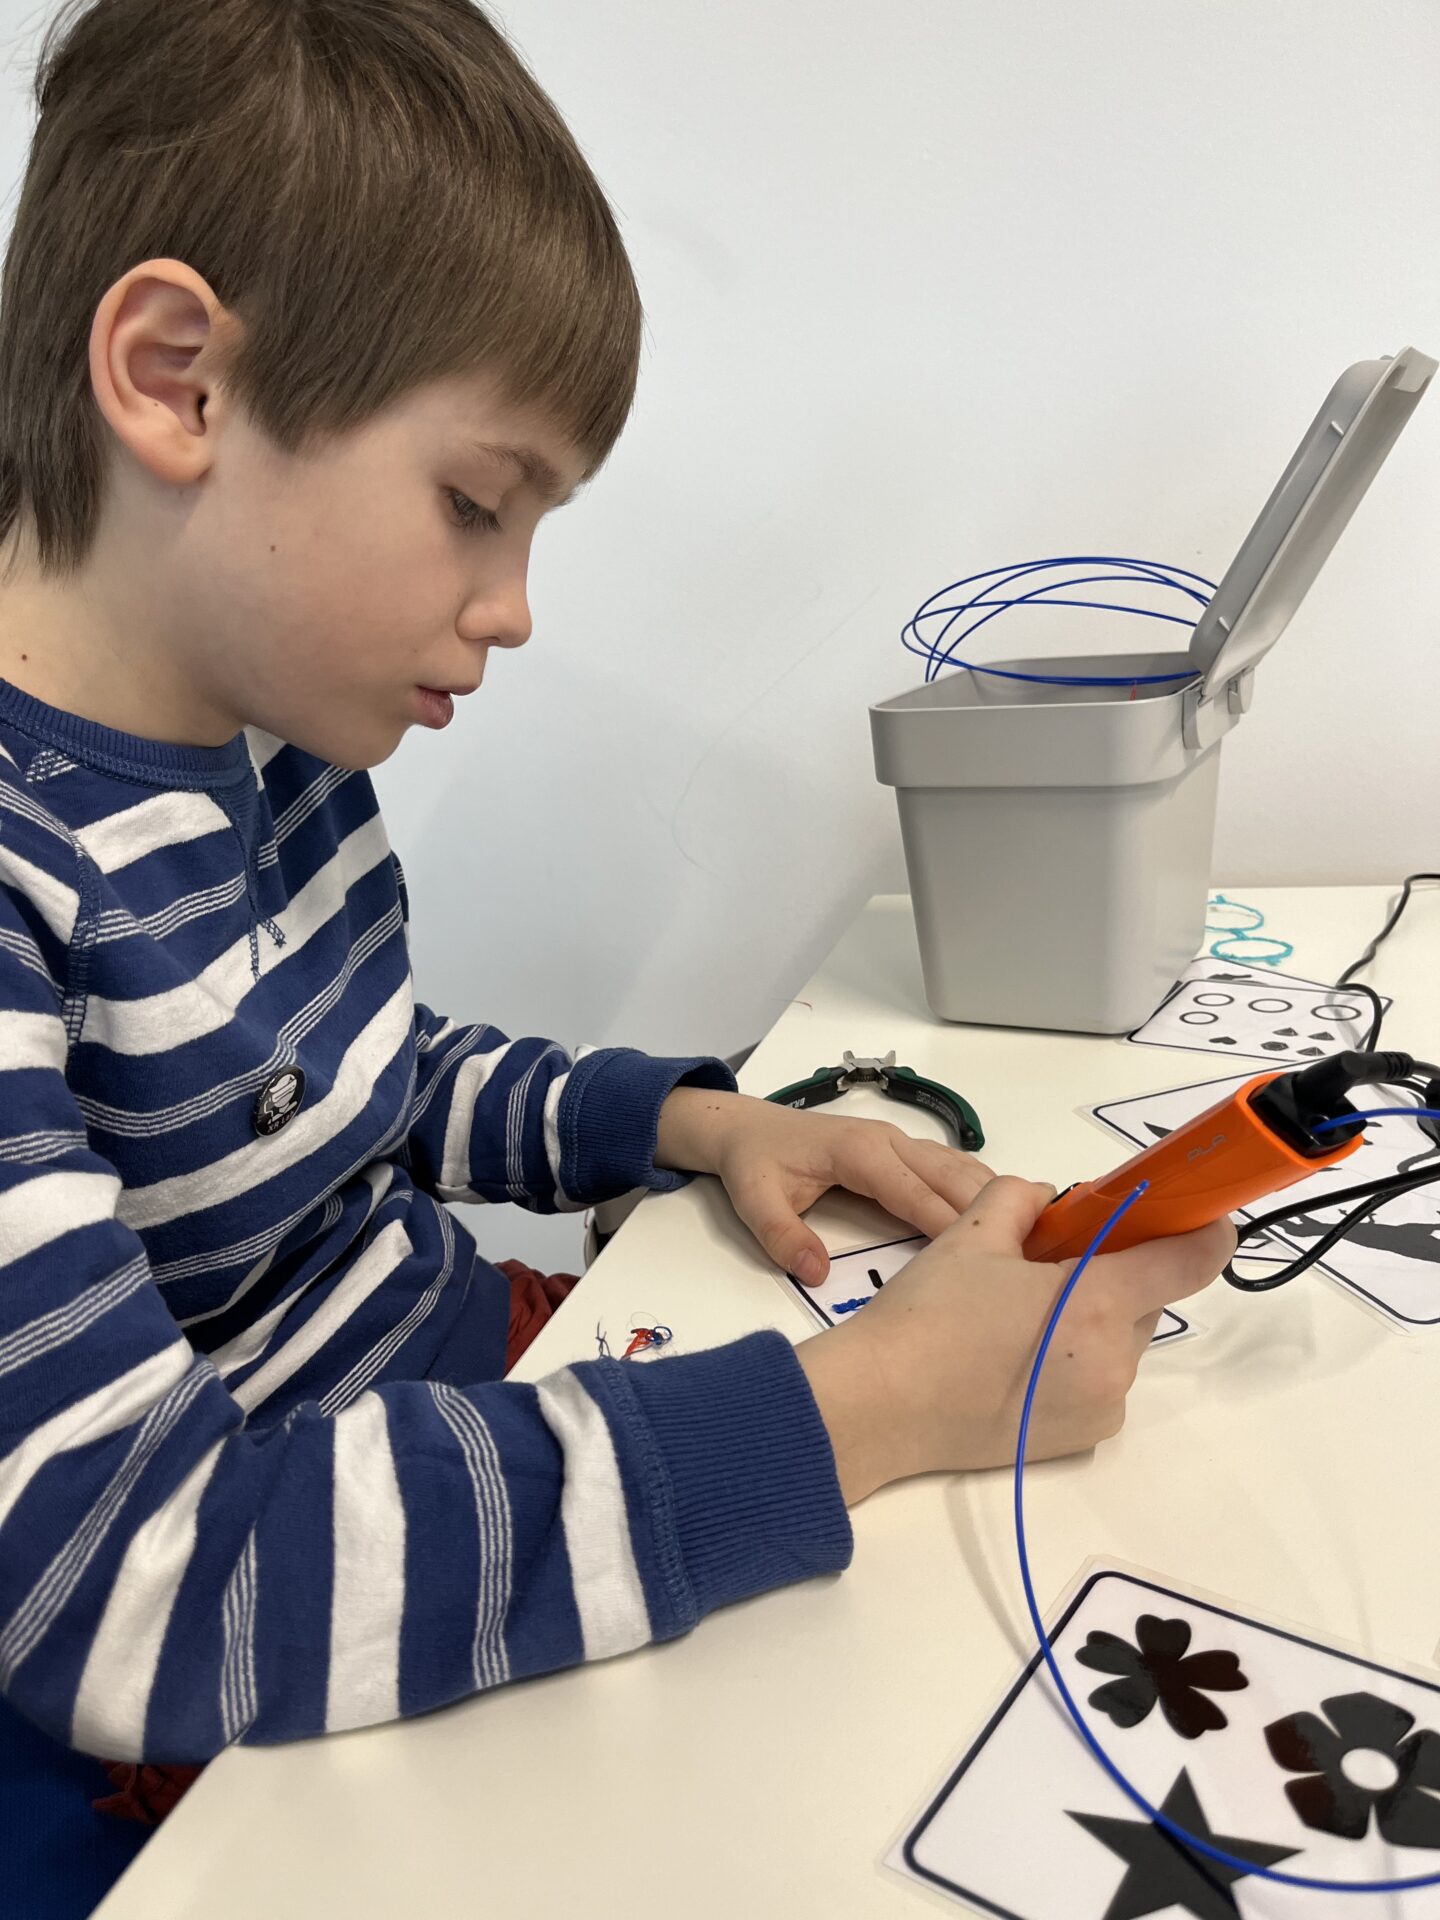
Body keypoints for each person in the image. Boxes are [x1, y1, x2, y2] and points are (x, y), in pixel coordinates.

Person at [0, 0, 1236, 1908]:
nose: (511, 610)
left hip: (455, 1400)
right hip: (219, 1695)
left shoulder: (268, 743)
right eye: (473, 506)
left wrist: (691, 1124)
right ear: (179, 380)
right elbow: (131, 1582)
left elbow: (365, 1079)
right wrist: (886, 1402)